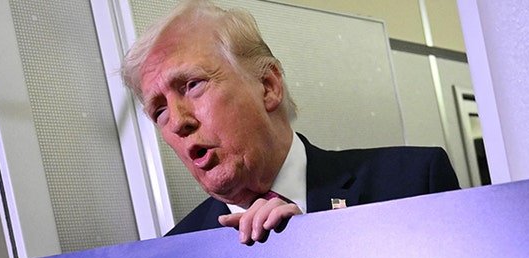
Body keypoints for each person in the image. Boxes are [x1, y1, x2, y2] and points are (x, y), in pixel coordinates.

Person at [120, 0, 461, 244]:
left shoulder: (412, 183)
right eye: (159, 109)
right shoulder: (177, 253)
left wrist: (313, 251)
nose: (177, 122)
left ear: (268, 86)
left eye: (192, 85)